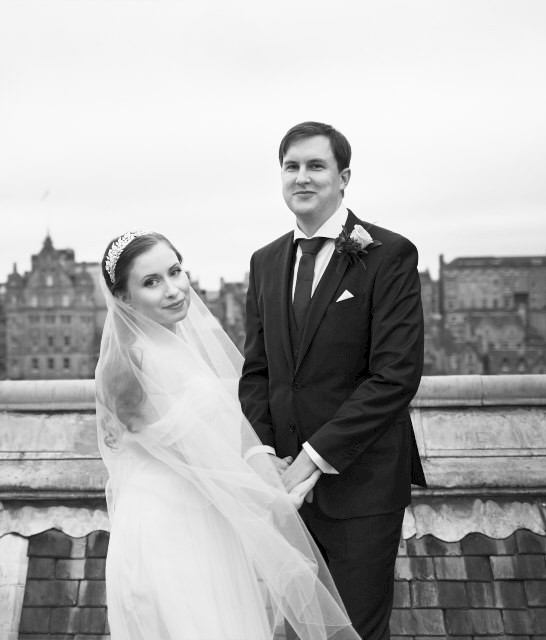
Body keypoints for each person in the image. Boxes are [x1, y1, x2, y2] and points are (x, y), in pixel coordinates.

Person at [95, 229, 361, 640]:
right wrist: (277, 493)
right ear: (124, 298)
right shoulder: (145, 360)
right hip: (173, 534)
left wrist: (261, 461)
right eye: (151, 282)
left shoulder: (165, 346)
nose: (173, 290)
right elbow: (204, 461)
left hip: (190, 520)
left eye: (175, 271)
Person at [239, 121, 426, 640]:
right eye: (291, 166)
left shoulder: (389, 254)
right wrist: (267, 461)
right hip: (284, 495)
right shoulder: (265, 261)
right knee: (295, 632)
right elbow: (258, 373)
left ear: (343, 177)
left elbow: (395, 377)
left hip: (361, 491)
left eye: (315, 166)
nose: (302, 177)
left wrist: (310, 459)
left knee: (354, 633)